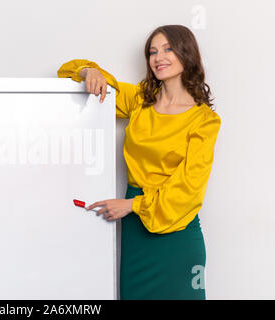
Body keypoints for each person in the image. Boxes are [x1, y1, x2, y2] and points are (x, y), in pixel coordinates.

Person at [57, 25, 221, 300]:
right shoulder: (139, 101)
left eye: (168, 49)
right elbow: (67, 72)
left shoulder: (203, 120)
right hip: (136, 234)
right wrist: (90, 72)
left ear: (186, 54)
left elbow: (189, 189)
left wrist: (132, 205)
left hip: (177, 234)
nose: (158, 57)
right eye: (152, 52)